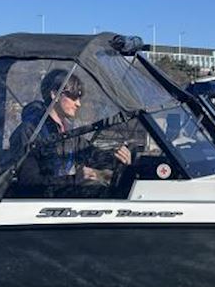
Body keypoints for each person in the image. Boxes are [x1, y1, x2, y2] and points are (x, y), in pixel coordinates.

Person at [7, 68, 132, 196]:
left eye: (80, 97)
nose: (78, 104)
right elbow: (28, 182)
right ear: (55, 95)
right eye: (73, 97)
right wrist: (73, 180)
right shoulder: (28, 131)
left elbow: (91, 154)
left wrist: (116, 157)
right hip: (37, 207)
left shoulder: (68, 133)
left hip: (62, 198)